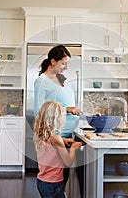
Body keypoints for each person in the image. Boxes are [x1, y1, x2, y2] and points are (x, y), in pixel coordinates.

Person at [34, 44, 85, 196]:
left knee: (62, 180)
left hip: (66, 135)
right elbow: (39, 112)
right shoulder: (42, 81)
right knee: (56, 180)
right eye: (63, 63)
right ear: (53, 61)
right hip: (57, 135)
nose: (65, 67)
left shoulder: (59, 80)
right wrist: (67, 109)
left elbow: (68, 107)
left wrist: (86, 115)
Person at [34, 101, 82, 198]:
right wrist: (73, 148)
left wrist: (63, 141)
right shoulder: (56, 139)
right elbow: (68, 162)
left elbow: (50, 146)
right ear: (56, 119)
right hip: (54, 184)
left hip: (42, 182)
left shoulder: (41, 134)